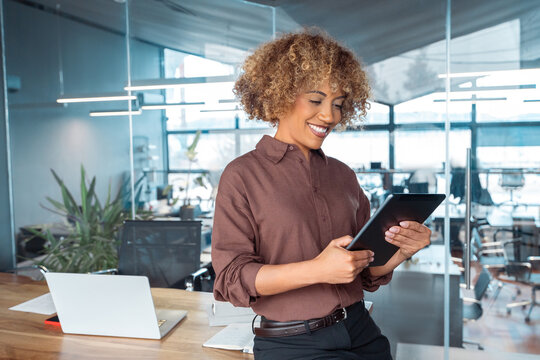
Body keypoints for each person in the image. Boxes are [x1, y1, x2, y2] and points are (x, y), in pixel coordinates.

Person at [211, 29, 432, 360]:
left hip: (362, 332)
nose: (329, 116)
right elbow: (230, 278)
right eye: (316, 100)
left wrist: (401, 251)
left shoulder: (343, 176)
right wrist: (316, 270)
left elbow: (367, 271)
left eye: (339, 104)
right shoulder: (242, 175)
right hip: (294, 343)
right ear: (279, 95)